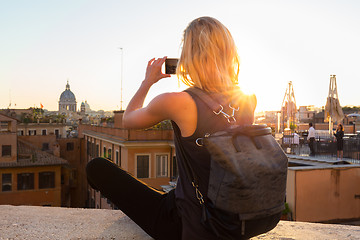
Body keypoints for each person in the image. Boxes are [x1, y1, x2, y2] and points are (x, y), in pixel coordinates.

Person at [86, 17, 278, 240]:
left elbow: (128, 119)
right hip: (236, 222)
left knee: (97, 167)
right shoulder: (247, 99)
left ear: (189, 57)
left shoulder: (178, 102)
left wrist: (147, 81)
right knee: (168, 193)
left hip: (188, 223)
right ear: (228, 53)